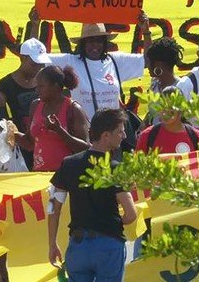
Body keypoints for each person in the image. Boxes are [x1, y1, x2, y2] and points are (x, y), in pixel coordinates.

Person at [48, 109, 138, 282]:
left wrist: (52, 243)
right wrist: (114, 221)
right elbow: (131, 214)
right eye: (120, 131)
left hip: (78, 246)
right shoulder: (116, 169)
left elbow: (53, 206)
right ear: (105, 135)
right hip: (108, 246)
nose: (124, 135)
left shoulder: (68, 164)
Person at [29, 11, 152, 120]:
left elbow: (148, 60)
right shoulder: (70, 61)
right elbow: (35, 58)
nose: (95, 45)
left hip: (113, 136)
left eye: (99, 40)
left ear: (104, 42)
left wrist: (146, 31)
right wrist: (35, 25)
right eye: (90, 40)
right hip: (83, 135)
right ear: (83, 43)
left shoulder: (116, 61)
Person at [13, 65, 90, 172]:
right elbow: (30, 144)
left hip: (65, 177)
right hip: (39, 176)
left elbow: (86, 148)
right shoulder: (35, 105)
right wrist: (12, 134)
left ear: (56, 86)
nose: (37, 90)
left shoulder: (73, 109)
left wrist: (59, 131)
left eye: (41, 86)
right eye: (37, 86)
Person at [0, 38, 51, 166]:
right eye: (34, 64)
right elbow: (2, 120)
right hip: (18, 147)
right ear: (23, 58)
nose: (38, 68)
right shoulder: (5, 84)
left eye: (41, 64)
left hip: (44, 143)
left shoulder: (46, 83)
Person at [136, 86, 199, 154]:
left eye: (171, 107)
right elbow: (137, 165)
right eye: (162, 106)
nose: (166, 112)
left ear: (181, 108)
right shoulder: (148, 136)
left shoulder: (196, 137)